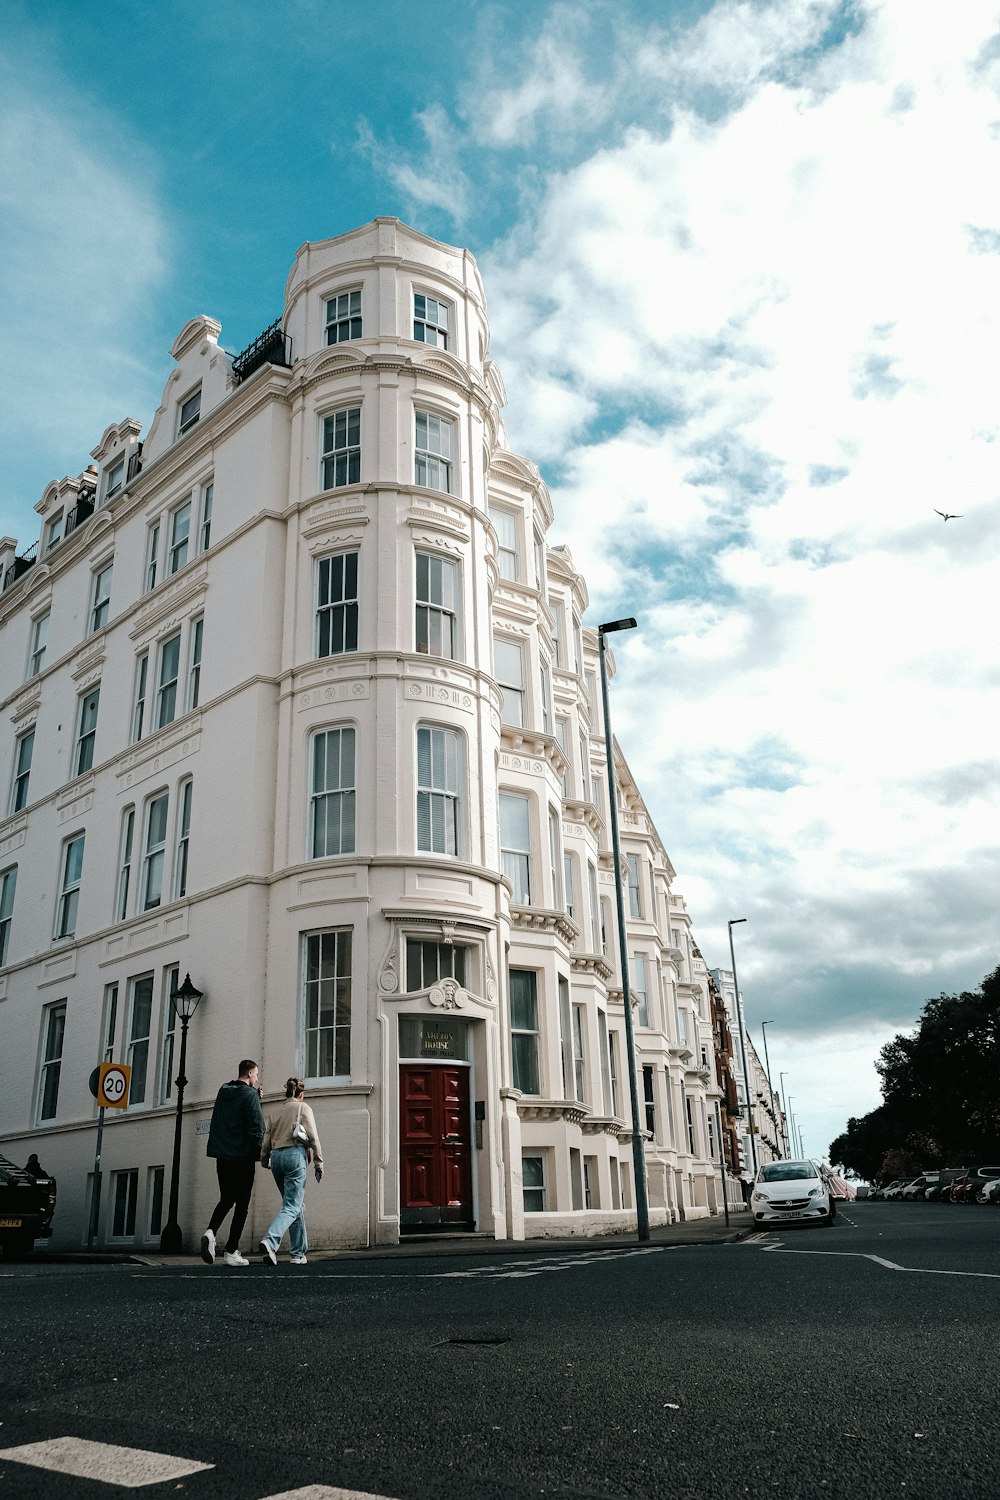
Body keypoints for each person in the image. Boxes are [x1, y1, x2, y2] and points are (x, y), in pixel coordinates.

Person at [201, 1058, 265, 1268]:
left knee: (226, 1198)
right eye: (256, 1074)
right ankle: (231, 1251)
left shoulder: (223, 1091)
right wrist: (261, 1154)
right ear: (249, 1074)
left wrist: (257, 1097)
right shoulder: (250, 1094)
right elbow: (256, 1127)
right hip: (243, 1157)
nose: (257, 1078)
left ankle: (210, 1232)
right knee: (243, 1204)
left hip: (222, 1156)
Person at [259, 1077, 323, 1266]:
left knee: (294, 1205)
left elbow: (266, 1140)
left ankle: (297, 1253)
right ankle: (270, 1241)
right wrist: (319, 1163)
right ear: (301, 1094)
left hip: (277, 1158)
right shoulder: (303, 1108)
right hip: (295, 1155)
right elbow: (313, 1136)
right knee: (291, 1206)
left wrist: (264, 1160)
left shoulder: (275, 1111)